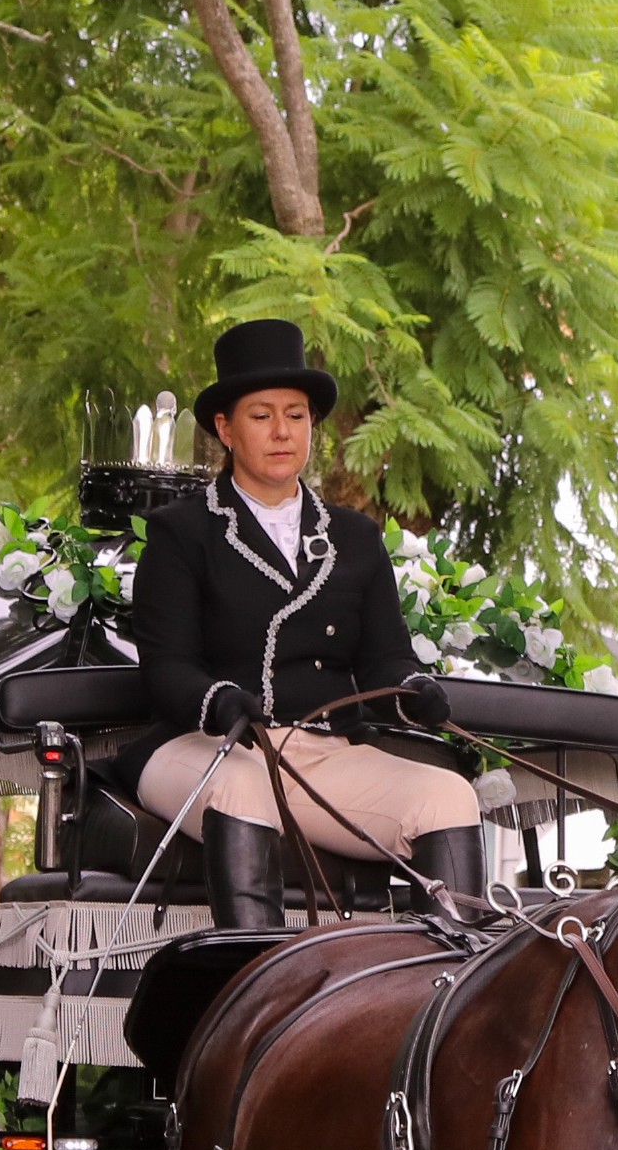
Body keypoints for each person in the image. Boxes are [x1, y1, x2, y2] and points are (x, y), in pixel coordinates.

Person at [125, 319, 486, 929]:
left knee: (449, 795)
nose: (282, 431)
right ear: (225, 429)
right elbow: (166, 667)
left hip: (324, 754)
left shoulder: (355, 537)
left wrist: (414, 690)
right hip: (206, 747)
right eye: (262, 415)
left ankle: (451, 999)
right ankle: (250, 994)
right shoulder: (182, 532)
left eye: (295, 415)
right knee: (245, 789)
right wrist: (216, 701)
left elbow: (384, 661)